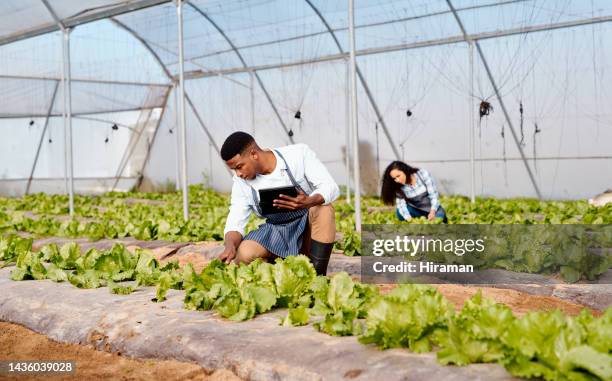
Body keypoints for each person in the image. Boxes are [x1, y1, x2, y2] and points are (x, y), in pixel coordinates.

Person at [218, 131, 339, 275]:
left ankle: (318, 276)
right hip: (276, 232)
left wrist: (309, 201)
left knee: (323, 208)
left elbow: (330, 187)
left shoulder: (297, 155)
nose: (238, 174)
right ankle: (278, 271)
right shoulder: (241, 182)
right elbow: (235, 221)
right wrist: (230, 246)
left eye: (239, 167)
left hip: (306, 229)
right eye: (234, 170)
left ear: (254, 154)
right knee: (244, 253)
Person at [380, 161, 448, 223]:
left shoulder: (422, 174)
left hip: (432, 209)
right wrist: (411, 221)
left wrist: (432, 212)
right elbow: (401, 206)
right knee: (399, 212)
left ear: (404, 171)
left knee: (439, 220)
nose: (397, 180)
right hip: (417, 210)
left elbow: (434, 195)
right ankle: (423, 219)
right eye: (394, 178)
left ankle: (433, 217)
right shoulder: (398, 187)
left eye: (398, 176)